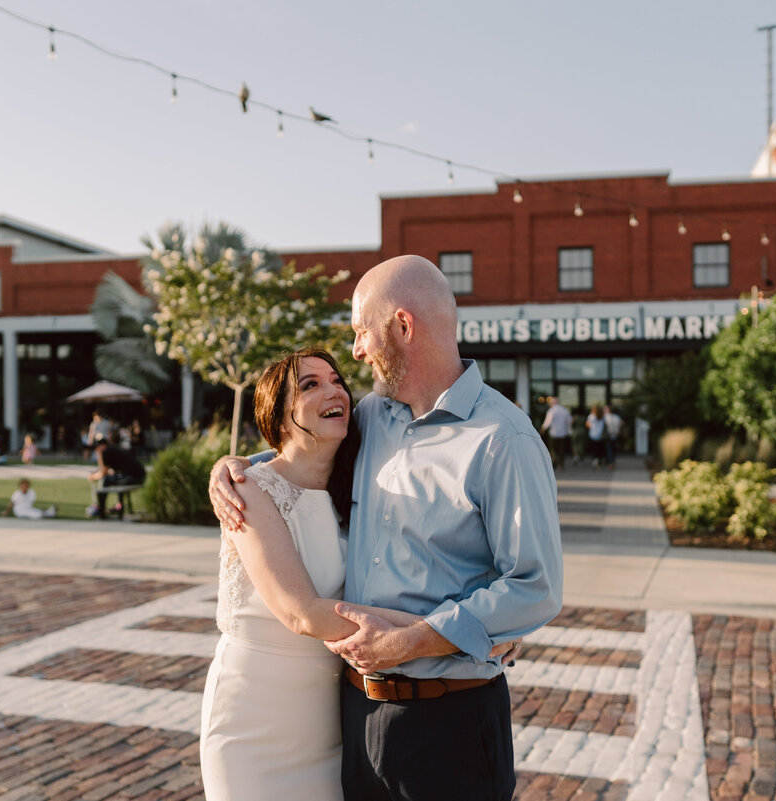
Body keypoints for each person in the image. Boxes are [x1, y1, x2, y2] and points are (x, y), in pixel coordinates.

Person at [211, 255, 563, 801]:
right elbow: (299, 450)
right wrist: (234, 467)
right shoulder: (372, 417)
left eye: (360, 332)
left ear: (402, 327)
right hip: (352, 714)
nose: (356, 351)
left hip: (451, 721)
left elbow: (535, 587)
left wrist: (421, 639)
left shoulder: (504, 439)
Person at [86, 430, 145, 518]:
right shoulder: (112, 449)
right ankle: (116, 507)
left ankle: (102, 511)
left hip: (133, 477)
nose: (96, 450)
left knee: (106, 481)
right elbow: (107, 470)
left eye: (97, 448)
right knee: (112, 479)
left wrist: (93, 477)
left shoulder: (106, 452)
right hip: (137, 476)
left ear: (101, 446)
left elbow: (103, 473)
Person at [541, 394, 573, 470]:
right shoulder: (564, 410)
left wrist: (542, 429)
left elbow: (547, 422)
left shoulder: (551, 411)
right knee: (561, 450)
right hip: (563, 433)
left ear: (552, 403)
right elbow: (570, 420)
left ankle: (554, 462)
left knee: (553, 449)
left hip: (553, 433)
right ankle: (560, 465)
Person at [603, 404, 624, 469]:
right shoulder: (616, 417)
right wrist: (618, 429)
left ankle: (610, 462)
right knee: (613, 449)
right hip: (615, 434)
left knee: (609, 449)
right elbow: (622, 423)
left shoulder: (605, 417)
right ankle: (612, 462)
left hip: (608, 435)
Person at [586, 403, 606, 468]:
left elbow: (588, 425)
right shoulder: (603, 416)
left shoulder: (591, 416)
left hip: (593, 435)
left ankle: (595, 459)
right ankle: (598, 459)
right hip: (600, 435)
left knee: (594, 449)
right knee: (599, 449)